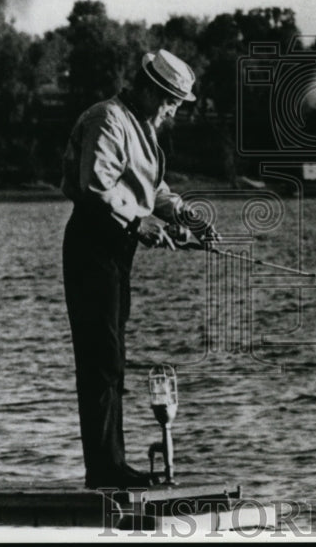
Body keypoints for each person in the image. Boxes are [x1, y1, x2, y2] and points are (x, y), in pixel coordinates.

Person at [60, 49, 217, 489]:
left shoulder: (139, 125)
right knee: (101, 360)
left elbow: (150, 186)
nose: (171, 111)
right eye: (168, 101)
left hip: (115, 249)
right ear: (148, 89)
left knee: (112, 359)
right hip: (92, 244)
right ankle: (104, 469)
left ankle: (111, 463)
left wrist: (184, 216)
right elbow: (97, 185)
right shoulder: (108, 119)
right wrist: (138, 222)